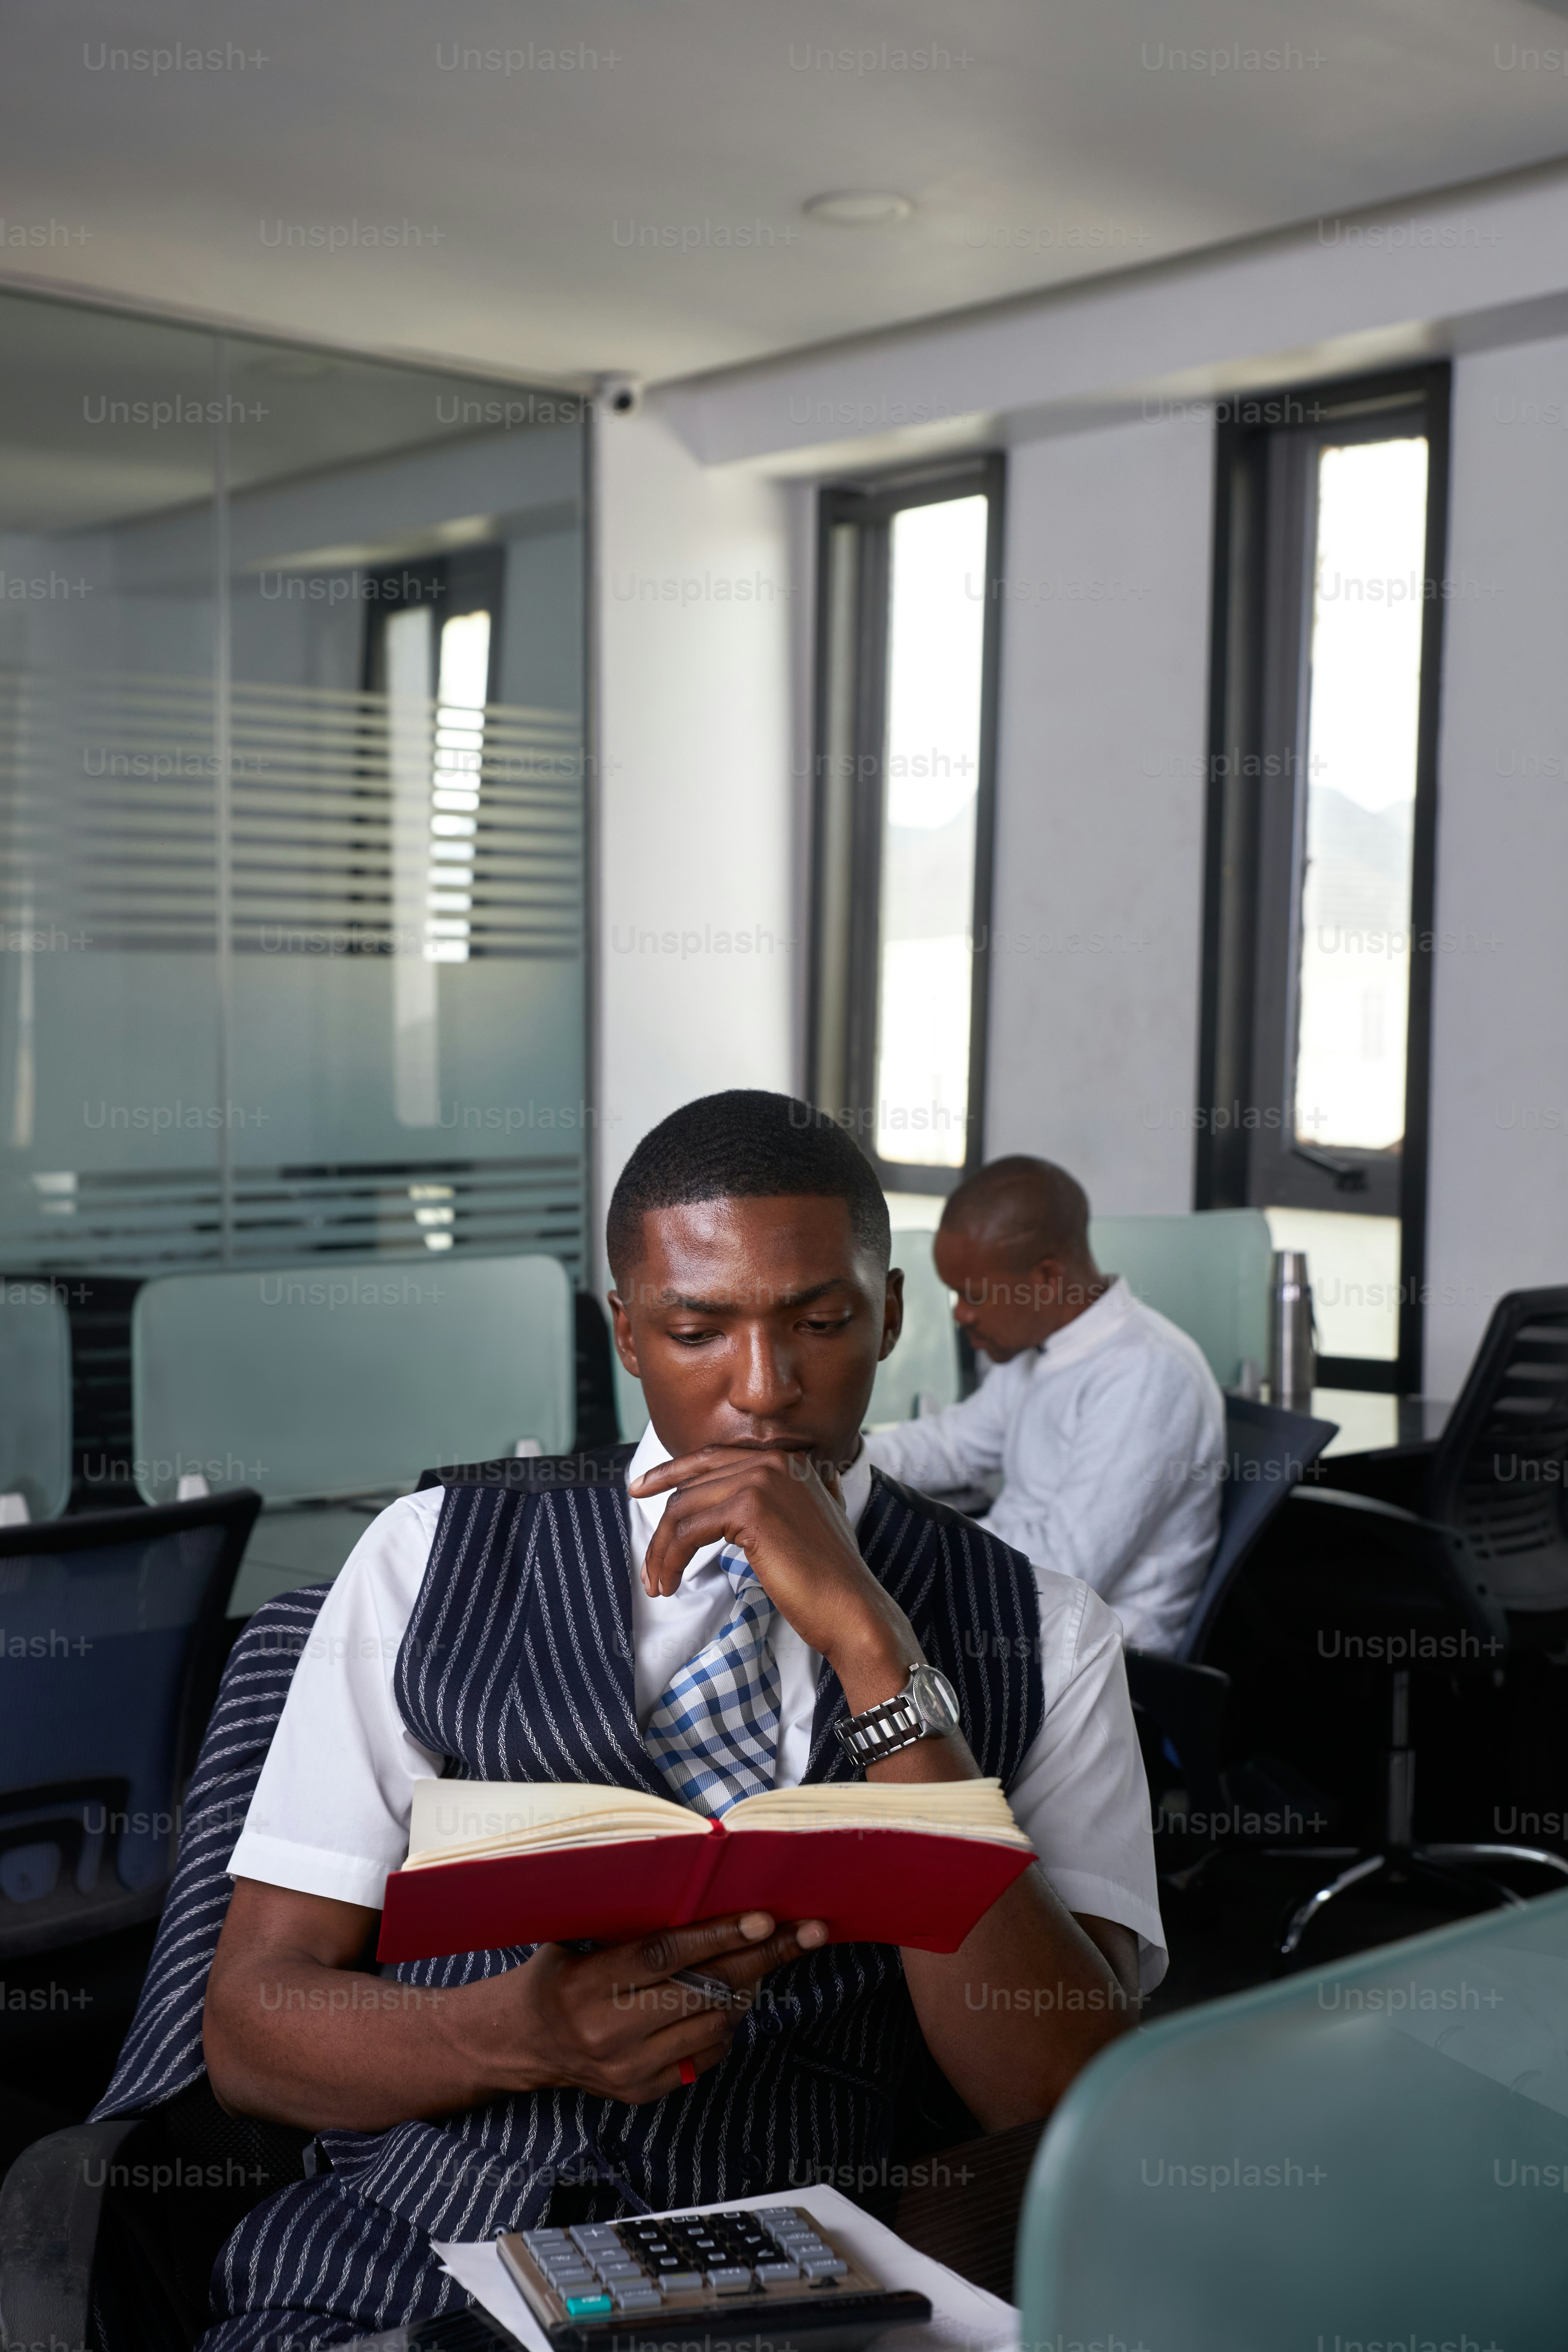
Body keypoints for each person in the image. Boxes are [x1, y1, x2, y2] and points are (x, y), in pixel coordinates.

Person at [193, 1092, 1164, 2349]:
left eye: (820, 1322)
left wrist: (876, 1654)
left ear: (892, 1315)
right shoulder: (425, 1557)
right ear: (628, 1333)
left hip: (832, 2268)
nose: (761, 1391)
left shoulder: (1043, 1623)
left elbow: (1063, 2098)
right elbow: (251, 2032)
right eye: (699, 1328)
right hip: (428, 2256)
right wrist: (507, 2035)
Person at [865, 1156, 1225, 1656]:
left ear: (1048, 1279)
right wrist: (834, 1465)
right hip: (1020, 1622)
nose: (962, 1316)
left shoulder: (1148, 1373)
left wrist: (892, 1541)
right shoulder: (1041, 1349)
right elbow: (952, 1445)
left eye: (973, 1295)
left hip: (1095, 1659)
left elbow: (1068, 1565)